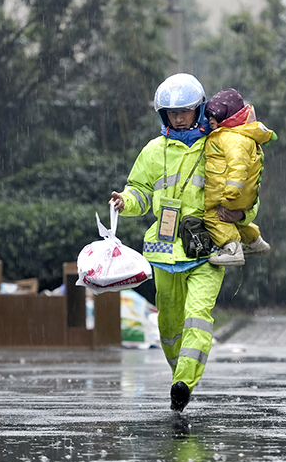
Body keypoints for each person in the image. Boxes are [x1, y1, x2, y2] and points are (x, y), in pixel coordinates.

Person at [108, 73, 258, 412]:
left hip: (208, 250)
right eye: (172, 113)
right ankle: (179, 378)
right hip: (163, 252)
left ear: (199, 109)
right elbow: (139, 192)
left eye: (185, 111)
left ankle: (185, 382)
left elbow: (247, 191)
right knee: (169, 324)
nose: (178, 118)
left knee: (197, 315)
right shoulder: (153, 151)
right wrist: (124, 202)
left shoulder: (219, 145)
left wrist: (241, 214)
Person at [203, 88, 276, 266]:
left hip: (229, 193)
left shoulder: (230, 138)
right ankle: (255, 242)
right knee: (234, 224)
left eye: (215, 116)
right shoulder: (243, 136)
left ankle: (231, 249)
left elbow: (238, 165)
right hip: (245, 197)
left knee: (212, 218)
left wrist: (232, 190)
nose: (210, 120)